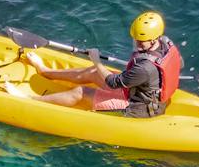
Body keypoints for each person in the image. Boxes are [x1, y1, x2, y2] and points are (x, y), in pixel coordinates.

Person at [24, 11, 182, 116]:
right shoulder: (166, 43)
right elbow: (179, 64)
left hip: (138, 108)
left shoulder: (144, 68)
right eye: (136, 39)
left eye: (141, 42)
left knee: (81, 92)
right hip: (138, 90)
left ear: (154, 38)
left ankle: (31, 101)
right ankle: (45, 71)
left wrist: (96, 60)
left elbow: (113, 83)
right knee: (94, 72)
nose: (137, 43)